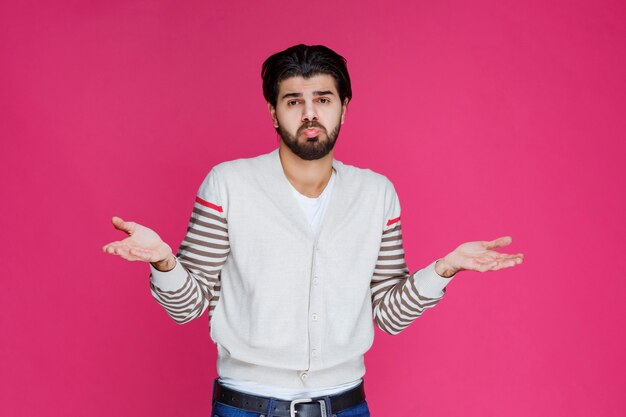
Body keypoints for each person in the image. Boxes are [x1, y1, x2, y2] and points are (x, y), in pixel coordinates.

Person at [102, 44, 524, 417]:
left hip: (346, 405)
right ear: (273, 112)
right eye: (293, 101)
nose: (309, 113)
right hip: (248, 405)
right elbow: (187, 306)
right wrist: (163, 260)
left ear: (344, 106)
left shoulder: (376, 194)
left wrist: (445, 268)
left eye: (323, 99)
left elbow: (389, 316)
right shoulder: (228, 185)